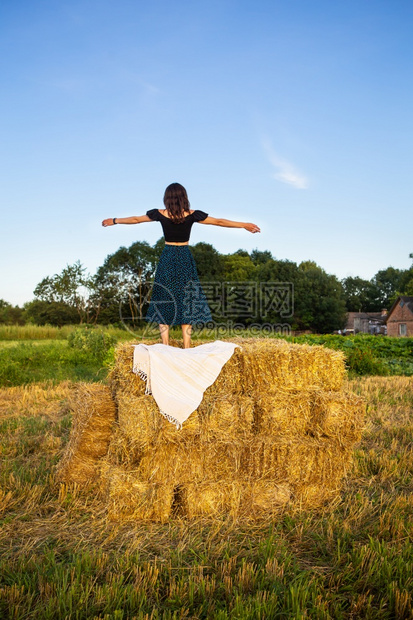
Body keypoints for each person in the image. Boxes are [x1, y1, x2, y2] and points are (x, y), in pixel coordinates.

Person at [102, 182, 260, 348]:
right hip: (184, 256)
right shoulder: (192, 215)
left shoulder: (159, 214)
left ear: (167, 198)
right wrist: (244, 225)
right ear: (184, 197)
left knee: (164, 297)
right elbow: (219, 222)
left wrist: (115, 220)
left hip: (168, 256)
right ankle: (186, 346)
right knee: (187, 300)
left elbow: (135, 219)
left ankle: (165, 345)